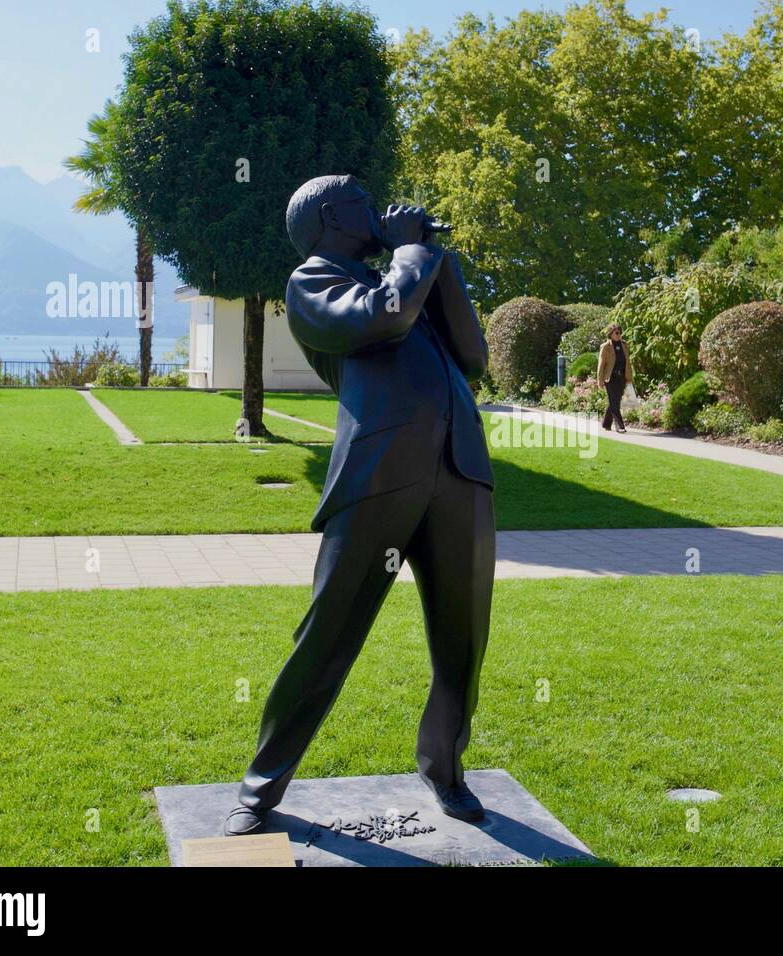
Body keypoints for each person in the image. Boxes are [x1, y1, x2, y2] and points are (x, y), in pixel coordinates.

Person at [223, 174, 495, 837]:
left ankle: (445, 769)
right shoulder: (312, 282)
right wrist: (411, 254)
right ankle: (260, 787)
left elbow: (473, 356)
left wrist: (439, 262)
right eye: (363, 203)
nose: (378, 210)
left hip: (460, 470)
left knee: (462, 642)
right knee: (329, 636)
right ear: (330, 217)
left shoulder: (407, 272)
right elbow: (385, 317)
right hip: (379, 477)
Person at [596, 323, 634, 432]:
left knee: (615, 401)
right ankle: (620, 426)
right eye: (616, 333)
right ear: (610, 334)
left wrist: (629, 377)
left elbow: (627, 363)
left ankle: (606, 423)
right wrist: (600, 380)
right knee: (614, 402)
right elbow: (601, 364)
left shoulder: (624, 345)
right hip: (610, 378)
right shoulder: (605, 347)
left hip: (621, 377)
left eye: (620, 332)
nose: (619, 335)